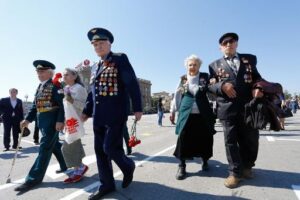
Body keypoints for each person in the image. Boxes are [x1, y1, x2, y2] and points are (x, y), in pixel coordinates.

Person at [81, 27, 143, 200]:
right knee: (100, 152)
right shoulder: (94, 67)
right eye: (95, 44)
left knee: (110, 148)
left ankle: (128, 166)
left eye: (101, 43)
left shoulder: (119, 58)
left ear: (109, 43)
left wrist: (137, 107)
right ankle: (106, 185)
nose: (98, 46)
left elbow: (131, 83)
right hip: (98, 115)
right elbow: (92, 93)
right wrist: (86, 111)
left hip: (116, 112)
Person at [208, 33, 263, 188]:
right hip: (227, 108)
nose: (228, 44)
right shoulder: (214, 65)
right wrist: (222, 86)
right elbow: (210, 86)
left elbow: (257, 78)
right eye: (224, 43)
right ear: (220, 47)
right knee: (230, 141)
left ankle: (247, 167)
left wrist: (258, 87)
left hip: (248, 106)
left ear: (236, 44)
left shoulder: (249, 59)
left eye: (231, 41)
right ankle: (234, 172)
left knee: (251, 139)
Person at [15, 60, 67, 192]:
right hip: (42, 121)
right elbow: (34, 107)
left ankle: (33, 179)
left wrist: (60, 120)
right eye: (38, 71)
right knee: (54, 145)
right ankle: (65, 165)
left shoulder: (55, 85)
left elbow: (62, 105)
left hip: (52, 121)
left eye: (42, 71)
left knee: (44, 149)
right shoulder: (40, 86)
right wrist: (27, 120)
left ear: (50, 73)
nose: (39, 73)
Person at [170, 55, 215, 180]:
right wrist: (173, 110)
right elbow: (177, 95)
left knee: (205, 138)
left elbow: (212, 92)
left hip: (203, 113)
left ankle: (205, 160)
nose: (192, 67)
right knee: (183, 138)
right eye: (190, 64)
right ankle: (182, 165)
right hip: (186, 113)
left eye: (195, 64)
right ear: (187, 66)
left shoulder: (205, 77)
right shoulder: (183, 79)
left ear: (199, 66)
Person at [61, 68, 89, 183]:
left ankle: (80, 167)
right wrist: (64, 121)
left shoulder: (79, 88)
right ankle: (79, 167)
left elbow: (84, 106)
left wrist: (71, 100)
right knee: (73, 144)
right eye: (63, 75)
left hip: (76, 120)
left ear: (74, 76)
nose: (64, 76)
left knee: (67, 146)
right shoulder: (66, 88)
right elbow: (66, 107)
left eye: (67, 74)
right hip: (69, 120)